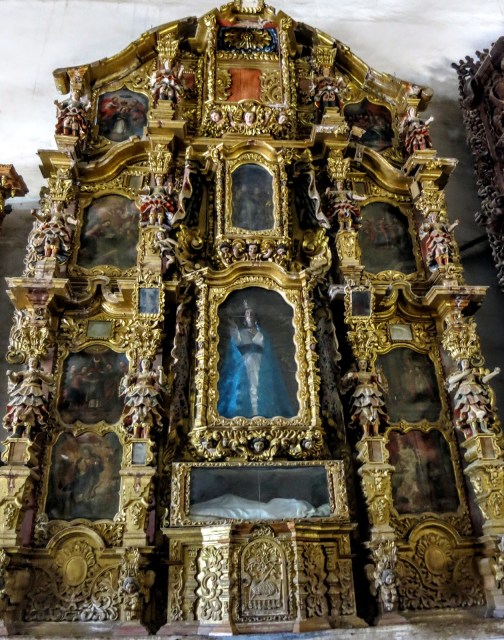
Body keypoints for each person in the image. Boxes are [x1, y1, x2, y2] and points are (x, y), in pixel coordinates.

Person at [217, 304, 296, 419]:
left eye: (251, 313)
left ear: (255, 317)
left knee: (258, 384)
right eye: (247, 313)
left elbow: (266, 347)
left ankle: (259, 412)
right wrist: (233, 329)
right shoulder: (241, 333)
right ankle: (248, 413)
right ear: (244, 318)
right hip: (245, 363)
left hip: (260, 364)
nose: (249, 315)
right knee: (245, 386)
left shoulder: (262, 333)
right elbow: (235, 344)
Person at [446, 359, 500, 436]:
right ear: (460, 364)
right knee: (470, 411)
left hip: (476, 392)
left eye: (467, 362)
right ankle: (475, 431)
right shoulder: (458, 374)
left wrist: (494, 373)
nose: (466, 363)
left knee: (482, 409)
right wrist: (464, 374)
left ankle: (484, 428)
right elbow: (451, 381)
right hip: (465, 391)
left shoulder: (473, 373)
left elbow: (483, 380)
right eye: (464, 362)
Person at [4, 357, 54, 438]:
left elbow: (50, 381)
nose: (32, 363)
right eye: (30, 361)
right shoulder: (23, 373)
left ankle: (28, 433)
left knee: (31, 413)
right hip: (23, 394)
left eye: (34, 361)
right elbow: (15, 380)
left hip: (35, 394)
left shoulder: (41, 373)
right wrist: (10, 375)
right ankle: (17, 432)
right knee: (18, 411)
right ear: (28, 363)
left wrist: (39, 375)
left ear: (37, 363)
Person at [120, 358, 166, 438]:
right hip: (137, 395)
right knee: (136, 412)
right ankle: (136, 433)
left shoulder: (151, 373)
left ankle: (146, 434)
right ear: (141, 364)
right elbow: (126, 385)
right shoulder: (137, 374)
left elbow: (161, 383)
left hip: (148, 394)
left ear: (150, 365)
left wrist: (161, 372)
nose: (145, 364)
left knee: (147, 412)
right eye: (144, 362)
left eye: (147, 362)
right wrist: (127, 377)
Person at [342, 358, 388, 437]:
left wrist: (379, 373)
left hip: (372, 394)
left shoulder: (370, 374)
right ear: (358, 365)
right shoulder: (357, 374)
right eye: (361, 363)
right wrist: (349, 376)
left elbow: (380, 383)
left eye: (365, 363)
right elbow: (345, 383)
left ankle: (376, 433)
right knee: (363, 413)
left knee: (375, 412)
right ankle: (366, 433)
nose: (363, 365)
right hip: (361, 396)